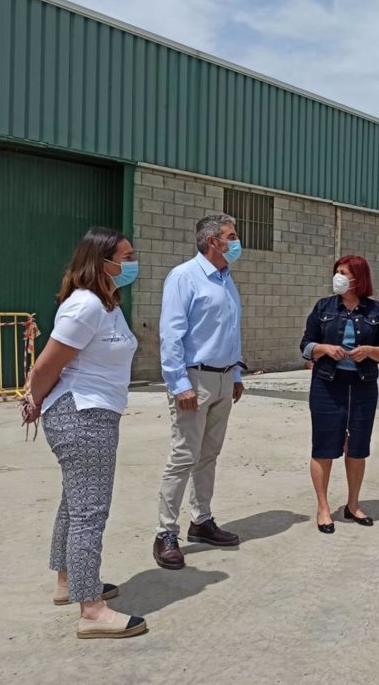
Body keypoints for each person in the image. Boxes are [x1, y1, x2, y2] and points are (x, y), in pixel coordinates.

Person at [21, 227, 147, 639]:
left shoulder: (106, 303)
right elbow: (45, 367)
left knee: (74, 505)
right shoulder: (84, 306)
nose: (131, 264)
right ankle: (91, 609)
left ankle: (68, 581)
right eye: (124, 257)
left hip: (95, 412)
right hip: (82, 415)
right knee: (90, 512)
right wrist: (32, 401)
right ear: (100, 262)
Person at [153, 214, 246, 570]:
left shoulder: (226, 279)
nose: (237, 243)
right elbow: (171, 335)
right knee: (183, 456)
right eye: (231, 236)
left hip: (223, 379)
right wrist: (179, 384)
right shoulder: (184, 277)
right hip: (195, 379)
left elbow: (230, 331)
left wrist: (236, 372)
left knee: (209, 455)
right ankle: (165, 532)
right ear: (212, 241)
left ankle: (201, 520)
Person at [300, 255, 379, 534]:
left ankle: (353, 505)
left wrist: (370, 351)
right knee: (324, 447)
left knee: (357, 448)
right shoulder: (324, 307)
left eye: (344, 272)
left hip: (363, 384)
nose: (338, 277)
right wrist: (324, 349)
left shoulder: (375, 310)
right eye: (337, 272)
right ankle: (323, 507)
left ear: (358, 277)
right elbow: (305, 345)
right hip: (327, 383)